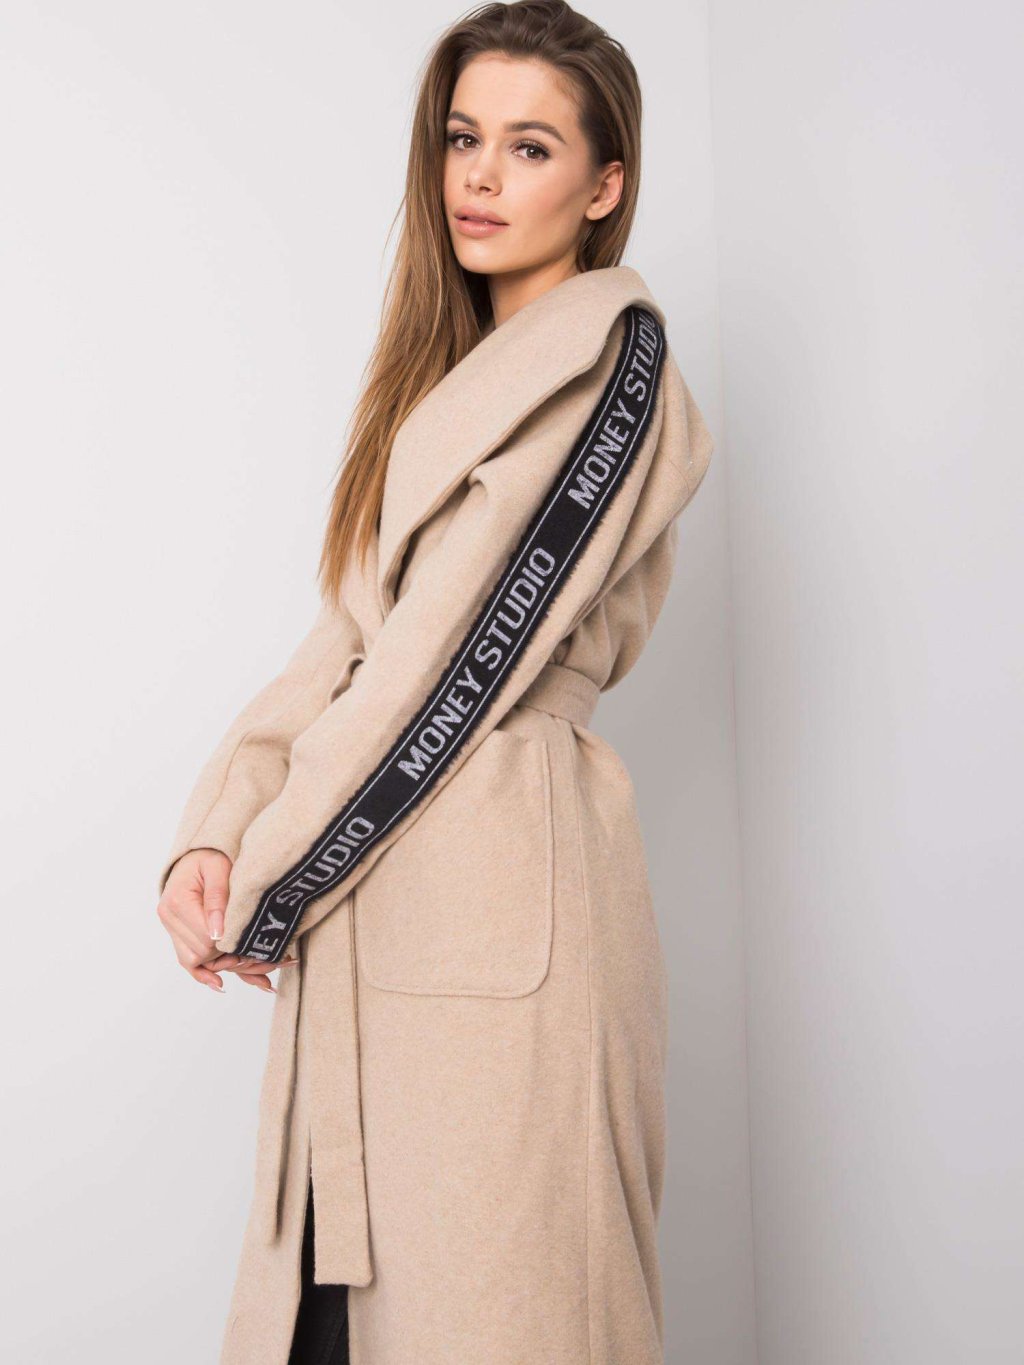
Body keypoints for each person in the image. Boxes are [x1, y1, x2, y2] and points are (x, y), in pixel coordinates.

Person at [154, 2, 714, 1361]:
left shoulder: (611, 366)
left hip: (502, 904)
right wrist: (214, 836)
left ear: (605, 185)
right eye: (465, 139)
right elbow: (346, 637)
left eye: (530, 147)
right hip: (378, 902)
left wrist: (272, 875)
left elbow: (452, 662)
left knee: (505, 1309)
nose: (481, 176)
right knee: (338, 1326)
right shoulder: (436, 382)